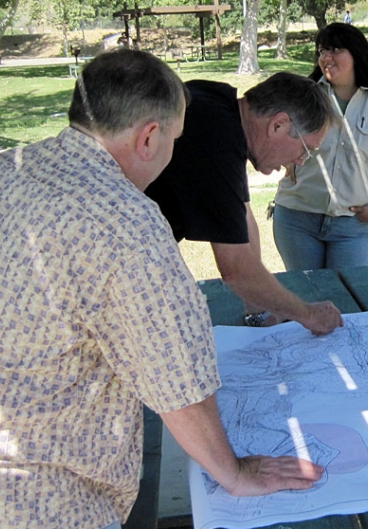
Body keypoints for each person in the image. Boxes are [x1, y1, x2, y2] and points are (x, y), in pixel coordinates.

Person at [0, 50, 323, 529]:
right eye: (174, 141)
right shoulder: (127, 225)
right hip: (35, 513)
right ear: (149, 136)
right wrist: (234, 474)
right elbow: (178, 382)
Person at [145, 71, 344, 334]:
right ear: (278, 125)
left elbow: (244, 215)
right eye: (306, 150)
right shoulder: (216, 138)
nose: (299, 161)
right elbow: (235, 267)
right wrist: (308, 315)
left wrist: (259, 310)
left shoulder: (221, 107)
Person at [272, 23, 368, 270]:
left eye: (334, 50)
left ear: (356, 54)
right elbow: (274, 139)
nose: (325, 58)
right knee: (308, 300)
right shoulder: (304, 97)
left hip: (353, 226)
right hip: (297, 220)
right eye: (321, 51)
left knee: (349, 300)